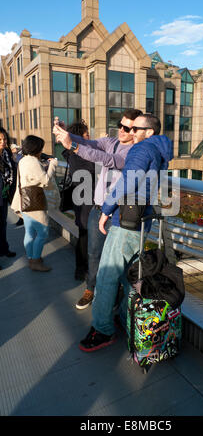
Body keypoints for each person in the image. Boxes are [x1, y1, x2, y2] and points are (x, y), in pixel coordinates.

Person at [78, 114, 173, 352]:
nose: (130, 131)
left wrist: (107, 209)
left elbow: (127, 182)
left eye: (135, 128)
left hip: (126, 221)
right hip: (142, 221)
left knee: (107, 276)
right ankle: (125, 317)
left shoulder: (142, 149)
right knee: (129, 276)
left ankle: (102, 330)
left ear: (148, 131)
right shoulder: (159, 150)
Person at [53, 108, 143, 309]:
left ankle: (115, 298)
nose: (121, 130)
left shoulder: (136, 152)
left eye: (126, 128)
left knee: (118, 260)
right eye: (120, 125)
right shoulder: (111, 142)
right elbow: (91, 144)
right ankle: (90, 289)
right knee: (93, 253)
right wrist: (67, 134)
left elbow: (108, 160)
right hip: (98, 208)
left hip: (120, 213)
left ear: (136, 131)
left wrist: (72, 145)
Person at [11, 135, 58, 272]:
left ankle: (31, 257)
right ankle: (36, 261)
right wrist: (53, 165)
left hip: (24, 202)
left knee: (29, 233)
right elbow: (46, 181)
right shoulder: (33, 161)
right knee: (43, 233)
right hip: (35, 204)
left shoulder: (23, 160)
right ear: (36, 148)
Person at [62, 120, 96, 281]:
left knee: (83, 235)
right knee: (85, 236)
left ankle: (81, 269)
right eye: (86, 134)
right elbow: (90, 170)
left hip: (81, 199)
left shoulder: (72, 152)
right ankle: (83, 269)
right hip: (85, 201)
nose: (89, 136)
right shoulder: (78, 155)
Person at [0, 128, 17, 264]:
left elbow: (12, 170)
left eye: (4, 139)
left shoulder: (6, 153)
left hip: (4, 194)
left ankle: (4, 249)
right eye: (0, 139)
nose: (3, 142)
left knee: (3, 224)